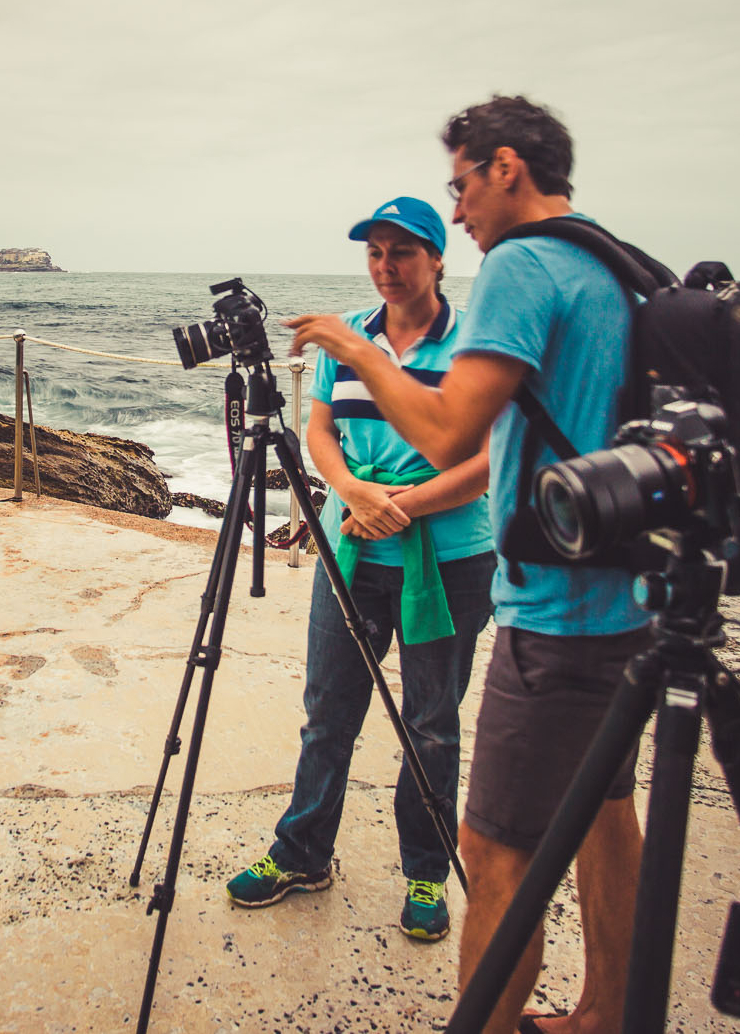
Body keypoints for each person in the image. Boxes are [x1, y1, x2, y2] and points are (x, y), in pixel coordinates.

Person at [285, 97, 646, 1034]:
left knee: (493, 855)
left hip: (553, 607)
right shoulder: (610, 259)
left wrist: (350, 344)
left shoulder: (523, 265)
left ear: (506, 167)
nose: (458, 211)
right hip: (625, 596)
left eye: (460, 186)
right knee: (608, 812)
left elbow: (455, 431)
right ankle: (607, 1014)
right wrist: (353, 485)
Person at [224, 196, 494, 943]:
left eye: (402, 251)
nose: (386, 266)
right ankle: (303, 851)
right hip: (353, 551)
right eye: (375, 252)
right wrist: (350, 492)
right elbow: (319, 427)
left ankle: (426, 871)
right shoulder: (349, 335)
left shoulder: (476, 341)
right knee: (328, 712)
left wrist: (400, 507)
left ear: (438, 258)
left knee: (432, 723)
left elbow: (483, 460)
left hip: (452, 558)